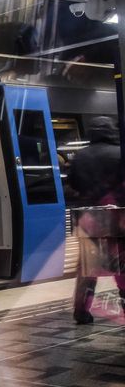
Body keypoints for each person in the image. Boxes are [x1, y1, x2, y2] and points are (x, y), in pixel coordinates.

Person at [67, 116, 125, 324]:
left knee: (87, 269)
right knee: (122, 267)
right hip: (117, 218)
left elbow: (72, 184)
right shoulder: (120, 154)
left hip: (89, 221)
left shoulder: (80, 156)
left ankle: (81, 311)